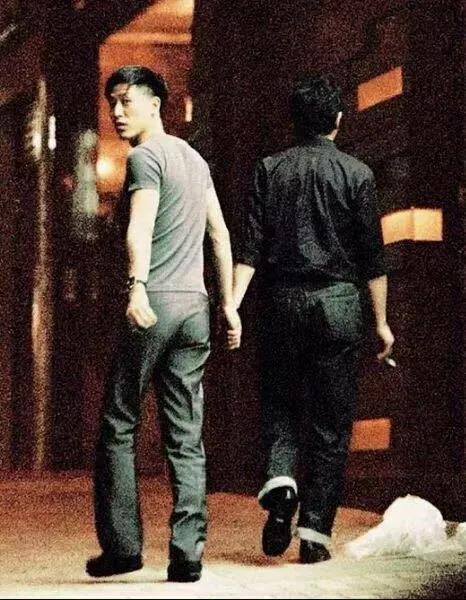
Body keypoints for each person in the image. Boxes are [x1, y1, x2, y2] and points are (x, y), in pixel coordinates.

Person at [86, 66, 241, 583]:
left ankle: (123, 547)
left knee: (119, 421)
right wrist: (228, 304)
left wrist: (137, 286)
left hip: (155, 305)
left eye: (127, 101)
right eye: (112, 102)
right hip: (196, 307)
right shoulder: (196, 160)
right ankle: (187, 554)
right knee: (186, 433)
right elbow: (219, 235)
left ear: (155, 104)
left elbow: (140, 226)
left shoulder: (145, 158)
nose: (117, 112)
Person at [233, 74, 394, 564]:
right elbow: (373, 258)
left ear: (294, 121)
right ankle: (314, 535)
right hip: (338, 304)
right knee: (330, 420)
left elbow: (250, 248)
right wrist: (381, 322)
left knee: (280, 403)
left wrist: (233, 304)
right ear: (338, 120)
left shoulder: (269, 169)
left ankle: (281, 481)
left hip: (281, 302)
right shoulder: (358, 174)